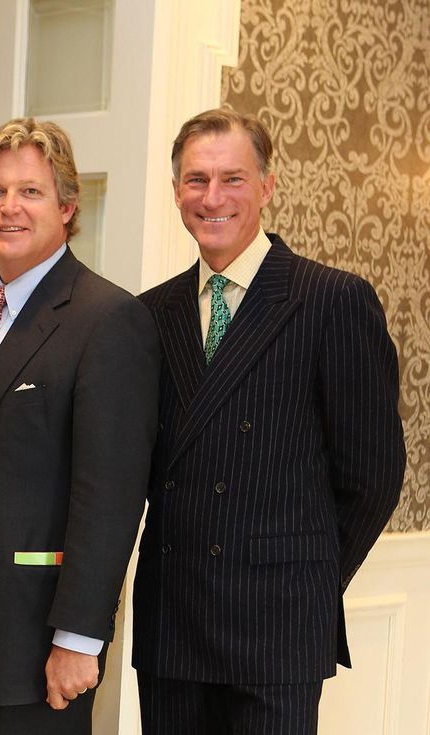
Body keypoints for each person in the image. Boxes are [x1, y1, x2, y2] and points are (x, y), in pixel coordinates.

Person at [132, 107, 406, 734]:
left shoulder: (332, 299)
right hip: (173, 624)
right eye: (197, 180)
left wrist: (300, 576)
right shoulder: (150, 313)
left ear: (267, 186)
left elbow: (373, 477)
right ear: (176, 192)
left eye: (232, 178)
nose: (213, 197)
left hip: (277, 628)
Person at [0, 118, 160, 734]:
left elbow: (109, 496)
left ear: (67, 207)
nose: (9, 207)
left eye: (30, 191)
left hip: (37, 640)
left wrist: (79, 637)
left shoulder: (108, 319)